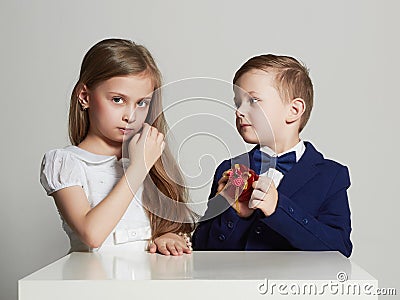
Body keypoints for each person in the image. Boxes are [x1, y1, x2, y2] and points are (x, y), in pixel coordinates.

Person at [40, 38, 194, 255]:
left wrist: (169, 236)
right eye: (118, 100)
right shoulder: (66, 163)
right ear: (85, 96)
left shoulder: (146, 160)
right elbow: (92, 235)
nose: (130, 116)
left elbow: (172, 231)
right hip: (92, 287)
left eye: (141, 103)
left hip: (148, 287)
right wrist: (139, 168)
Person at [192, 54, 353, 257]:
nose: (239, 111)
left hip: (292, 288)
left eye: (253, 100)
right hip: (232, 287)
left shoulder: (331, 176)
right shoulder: (228, 169)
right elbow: (201, 250)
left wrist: (279, 209)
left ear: (294, 110)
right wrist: (229, 209)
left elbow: (339, 249)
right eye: (237, 103)